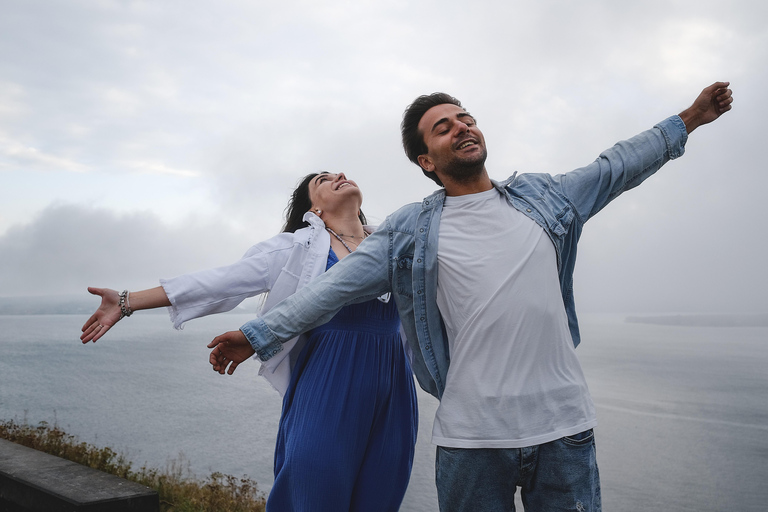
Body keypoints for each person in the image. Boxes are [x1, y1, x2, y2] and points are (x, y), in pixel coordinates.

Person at [208, 82, 733, 511]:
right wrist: (256, 335)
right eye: (444, 127)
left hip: (565, 431)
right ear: (425, 160)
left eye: (465, 118)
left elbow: (617, 165)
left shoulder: (545, 197)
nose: (462, 127)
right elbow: (331, 290)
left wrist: (688, 119)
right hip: (472, 441)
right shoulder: (408, 232)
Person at [80, 172, 418, 512]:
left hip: (395, 391)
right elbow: (219, 281)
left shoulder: (393, 246)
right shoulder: (298, 247)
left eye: (339, 173)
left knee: (381, 496)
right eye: (323, 180)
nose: (339, 176)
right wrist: (126, 301)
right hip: (328, 384)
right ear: (313, 208)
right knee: (314, 494)